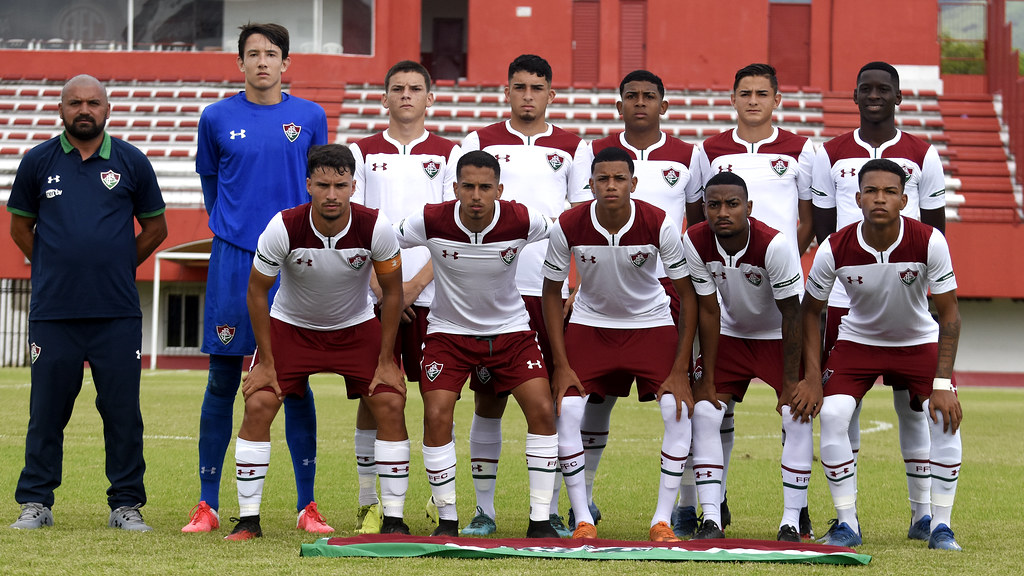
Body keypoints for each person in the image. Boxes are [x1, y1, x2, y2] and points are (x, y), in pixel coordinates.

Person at [184, 23, 330, 533]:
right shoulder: (216, 117)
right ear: (239, 63)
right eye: (253, 54)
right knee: (222, 377)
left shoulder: (310, 116)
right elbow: (210, 182)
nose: (262, 62)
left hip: (294, 259)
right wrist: (234, 227)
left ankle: (306, 506)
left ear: (286, 63)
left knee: (296, 379)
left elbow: (319, 184)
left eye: (271, 54)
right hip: (234, 257)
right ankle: (207, 504)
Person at [225, 145, 409, 540]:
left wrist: (386, 358)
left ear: (353, 187)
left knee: (391, 401)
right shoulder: (283, 226)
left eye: (340, 185)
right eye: (323, 184)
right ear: (308, 185)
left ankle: (393, 519)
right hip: (292, 327)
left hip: (355, 328)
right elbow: (257, 292)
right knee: (258, 402)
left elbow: (392, 293)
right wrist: (268, 363)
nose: (331, 194)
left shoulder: (376, 227)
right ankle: (248, 521)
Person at [8, 75, 167, 531]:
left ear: (107, 109)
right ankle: (36, 502)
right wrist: (53, 265)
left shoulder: (131, 161)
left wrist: (116, 264)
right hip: (54, 312)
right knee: (46, 412)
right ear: (60, 110)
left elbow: (156, 230)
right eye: (75, 102)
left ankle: (126, 505)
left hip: (115, 313)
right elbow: (20, 227)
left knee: (122, 414)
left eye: (92, 102)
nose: (84, 109)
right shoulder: (37, 162)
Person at [542, 146, 715, 542]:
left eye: (619, 179)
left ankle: (662, 520)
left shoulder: (659, 223)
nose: (611, 186)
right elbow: (551, 293)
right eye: (602, 179)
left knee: (677, 411)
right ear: (590, 184)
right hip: (590, 325)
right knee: (566, 412)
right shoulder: (568, 224)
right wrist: (561, 362)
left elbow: (687, 296)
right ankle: (583, 517)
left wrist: (679, 369)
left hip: (650, 325)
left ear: (634, 184)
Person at [810, 61, 946, 542]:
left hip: (904, 292)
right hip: (849, 296)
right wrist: (846, 275)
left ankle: (923, 514)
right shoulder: (830, 154)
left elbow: (934, 225)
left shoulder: (922, 154)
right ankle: (847, 515)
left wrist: (918, 285)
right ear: (854, 95)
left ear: (898, 97)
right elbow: (826, 226)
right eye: (865, 88)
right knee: (844, 406)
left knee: (913, 409)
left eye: (883, 89)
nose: (874, 96)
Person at [798, 158, 962, 551]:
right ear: (857, 198)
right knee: (835, 414)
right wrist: (810, 377)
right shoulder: (835, 246)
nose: (880, 199)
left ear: (905, 200)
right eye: (871, 191)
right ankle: (846, 522)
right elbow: (809, 312)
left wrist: (942, 383)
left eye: (890, 192)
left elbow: (950, 316)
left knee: (944, 416)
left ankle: (940, 525)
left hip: (917, 340)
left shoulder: (929, 240)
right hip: (859, 342)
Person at [395, 150, 560, 539]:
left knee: (542, 411)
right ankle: (448, 520)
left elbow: (568, 231)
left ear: (499, 190)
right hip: (448, 333)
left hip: (511, 332)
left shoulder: (521, 218)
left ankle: (539, 522)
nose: (476, 195)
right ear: (454, 188)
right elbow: (377, 238)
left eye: (485, 187)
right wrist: (383, 288)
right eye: (467, 186)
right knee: (436, 415)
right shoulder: (430, 219)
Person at [681, 63, 816, 537]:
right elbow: (698, 210)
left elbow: (809, 217)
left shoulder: (803, 149)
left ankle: (793, 518)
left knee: (795, 409)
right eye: (745, 92)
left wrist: (775, 258)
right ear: (733, 98)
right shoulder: (709, 150)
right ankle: (711, 513)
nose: (753, 100)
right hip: (731, 313)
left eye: (762, 93)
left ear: (777, 98)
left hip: (778, 301)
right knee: (708, 409)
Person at [459, 54, 590, 537]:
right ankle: (484, 511)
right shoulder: (477, 142)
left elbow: (580, 220)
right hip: (493, 293)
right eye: (520, 87)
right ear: (506, 91)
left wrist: (577, 281)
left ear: (551, 94)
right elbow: (461, 211)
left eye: (537, 87)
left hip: (550, 292)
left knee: (551, 401)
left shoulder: (574, 147)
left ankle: (548, 509)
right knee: (488, 401)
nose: (528, 95)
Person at [574, 69, 701, 532]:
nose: (640, 103)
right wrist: (577, 286)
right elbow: (580, 222)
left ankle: (685, 507)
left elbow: (701, 221)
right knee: (594, 401)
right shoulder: (594, 153)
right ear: (619, 104)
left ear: (664, 105)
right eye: (632, 96)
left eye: (650, 96)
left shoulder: (689, 155)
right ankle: (581, 501)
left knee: (682, 399)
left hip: (665, 290)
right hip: (601, 293)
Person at [347, 60, 461, 534]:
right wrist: (380, 282)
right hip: (375, 292)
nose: (407, 95)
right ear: (385, 97)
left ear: (430, 98)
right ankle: (368, 501)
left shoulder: (450, 153)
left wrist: (414, 285)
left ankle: (439, 501)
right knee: (376, 394)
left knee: (438, 398)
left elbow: (455, 227)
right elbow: (353, 218)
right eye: (398, 88)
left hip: (434, 293)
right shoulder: (362, 151)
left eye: (416, 88)